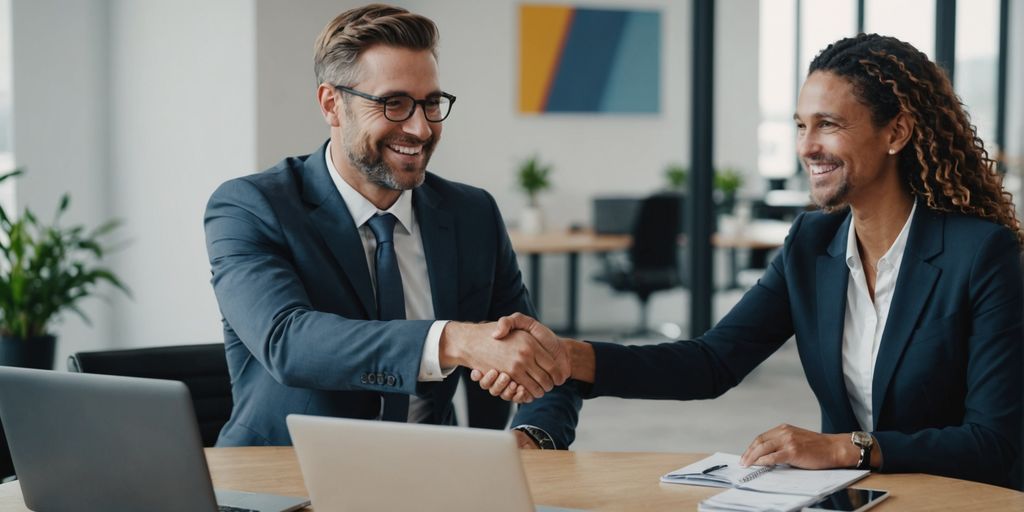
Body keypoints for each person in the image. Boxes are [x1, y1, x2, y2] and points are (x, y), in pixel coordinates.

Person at [488, 33, 1023, 488]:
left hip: (962, 499)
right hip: (850, 499)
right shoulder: (812, 244)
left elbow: (993, 441)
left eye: (828, 124)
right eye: (799, 125)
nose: (806, 146)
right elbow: (710, 362)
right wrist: (567, 356)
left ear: (897, 133)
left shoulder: (980, 255)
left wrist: (849, 448)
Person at [204, 3, 568, 446]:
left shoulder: (472, 213)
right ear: (331, 104)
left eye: (431, 103)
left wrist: (532, 435)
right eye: (393, 103)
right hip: (284, 477)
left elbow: (541, 357)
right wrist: (453, 340)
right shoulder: (252, 206)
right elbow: (288, 341)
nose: (420, 128)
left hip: (433, 472)